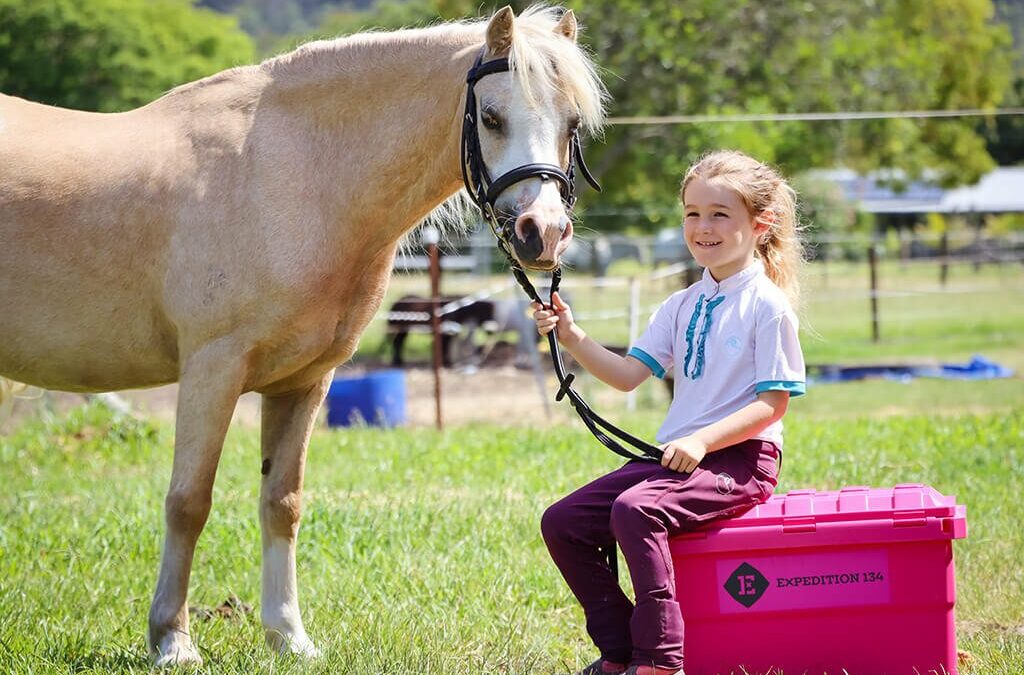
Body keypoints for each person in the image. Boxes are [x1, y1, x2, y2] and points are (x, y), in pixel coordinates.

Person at [533, 150, 806, 675]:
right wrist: (571, 335)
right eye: (692, 213)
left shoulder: (767, 307)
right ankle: (617, 652)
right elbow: (627, 375)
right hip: (678, 457)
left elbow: (773, 404)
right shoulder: (680, 305)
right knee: (563, 521)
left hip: (741, 462)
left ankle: (660, 659)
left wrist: (703, 441)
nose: (702, 227)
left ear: (759, 224)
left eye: (719, 214)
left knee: (637, 509)